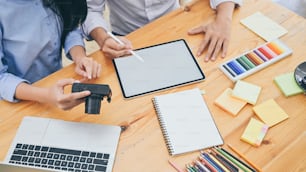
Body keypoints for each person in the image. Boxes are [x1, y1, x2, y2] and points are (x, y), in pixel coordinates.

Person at [0, 0, 101, 110]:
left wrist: (80, 57)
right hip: (17, 102)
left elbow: (69, 27)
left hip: (57, 86)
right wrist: (47, 95)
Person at [83, 0, 242, 62]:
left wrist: (224, 20)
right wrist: (103, 39)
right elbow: (91, 9)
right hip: (125, 40)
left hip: (176, 27)